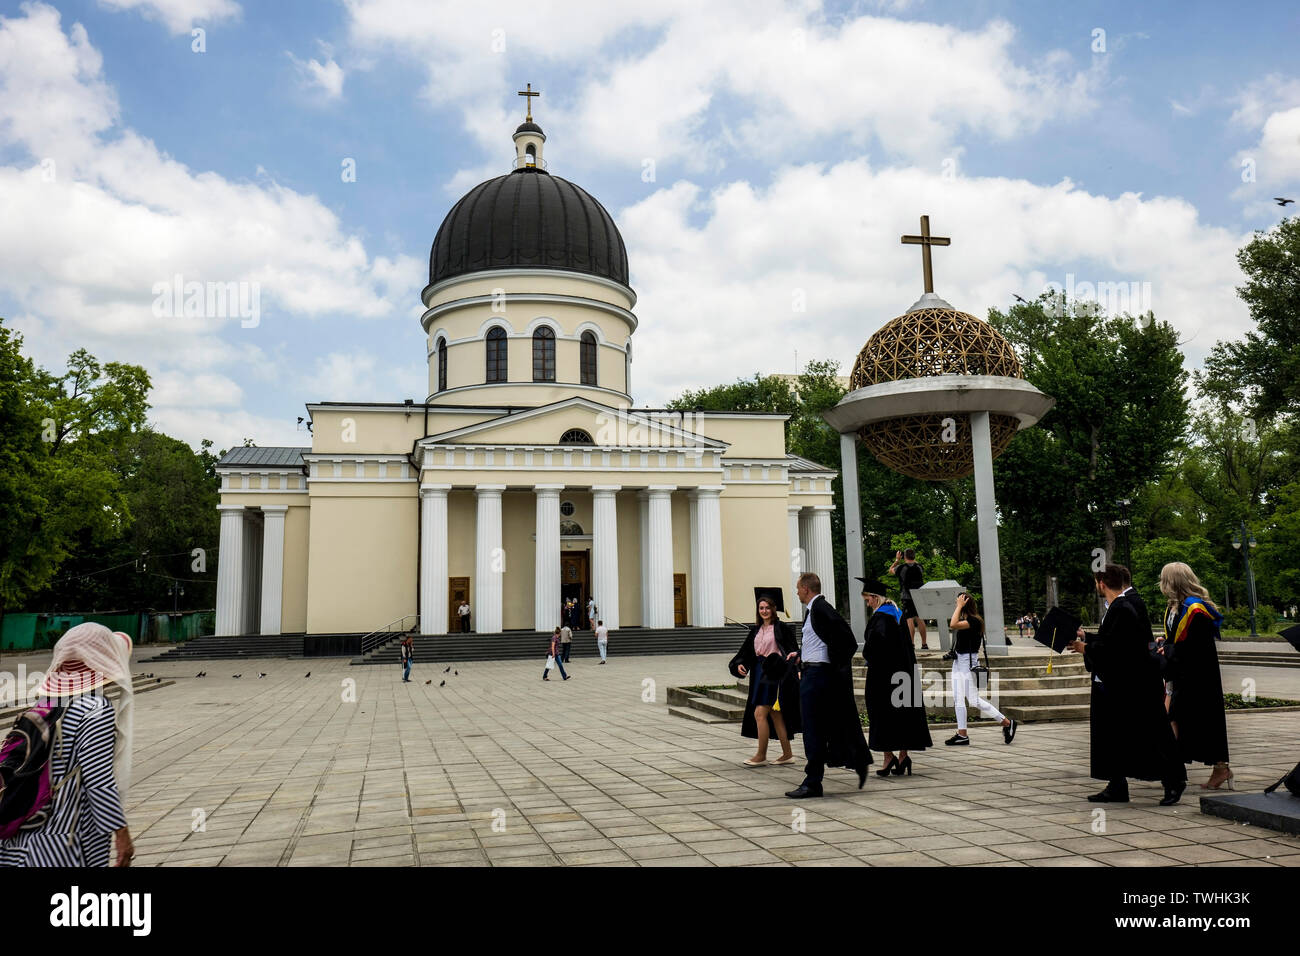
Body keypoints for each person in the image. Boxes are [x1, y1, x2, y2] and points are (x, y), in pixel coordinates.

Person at [0, 623, 134, 867]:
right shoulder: (95, 709)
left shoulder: (46, 703)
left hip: (19, 836)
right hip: (64, 841)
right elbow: (98, 779)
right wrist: (121, 832)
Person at [1069, 563, 1186, 805]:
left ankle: (1173, 781)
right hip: (1125, 681)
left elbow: (1119, 649)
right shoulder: (1127, 601)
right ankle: (1117, 784)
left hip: (1133, 684)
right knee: (1115, 735)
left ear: (1102, 583)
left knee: (1151, 734)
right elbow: (1115, 638)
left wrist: (1086, 648)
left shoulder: (1124, 605)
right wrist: (1087, 638)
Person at [785, 572, 871, 798]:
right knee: (814, 728)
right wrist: (801, 655)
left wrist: (831, 667)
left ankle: (813, 782)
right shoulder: (814, 610)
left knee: (813, 729)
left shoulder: (822, 608)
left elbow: (847, 641)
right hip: (812, 672)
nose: (796, 592)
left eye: (798, 588)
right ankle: (814, 779)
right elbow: (821, 641)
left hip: (817, 677)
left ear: (806, 588)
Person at [1158, 562, 1231, 790]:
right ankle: (1179, 769)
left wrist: (1169, 650)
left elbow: (1196, 648)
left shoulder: (1195, 609)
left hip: (1199, 677)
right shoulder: (1176, 606)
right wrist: (1166, 642)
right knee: (1179, 719)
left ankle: (1208, 769)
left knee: (1200, 721)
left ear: (1171, 582)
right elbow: (1179, 639)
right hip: (1182, 674)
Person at [858, 578, 931, 776]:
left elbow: (876, 647)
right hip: (903, 673)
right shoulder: (898, 614)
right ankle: (902, 756)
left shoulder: (881, 618)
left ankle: (888, 756)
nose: (867, 603)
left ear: (875, 598)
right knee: (902, 713)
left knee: (882, 713)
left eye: (867, 600)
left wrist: (867, 655)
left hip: (884, 676)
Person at [728, 594, 801, 766]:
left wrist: (796, 670)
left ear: (773, 609)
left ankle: (761, 755)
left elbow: (793, 650)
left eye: (767, 608)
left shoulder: (781, 628)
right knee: (775, 715)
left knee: (759, 713)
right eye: (761, 608)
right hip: (759, 674)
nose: (764, 611)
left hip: (774, 674)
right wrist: (740, 664)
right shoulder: (756, 630)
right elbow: (746, 653)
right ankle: (787, 754)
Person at [944, 593, 1017, 746]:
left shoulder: (974, 621)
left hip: (967, 663)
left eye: (958, 601)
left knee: (973, 700)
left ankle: (1007, 723)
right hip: (959, 660)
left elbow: (952, 624)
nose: (956, 603)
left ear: (965, 603)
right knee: (958, 698)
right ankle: (962, 734)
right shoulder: (967, 620)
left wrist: (959, 606)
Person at [888, 549, 929, 650]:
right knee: (920, 619)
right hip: (919, 596)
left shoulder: (901, 568)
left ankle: (911, 644)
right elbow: (918, 566)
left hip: (906, 596)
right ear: (914, 556)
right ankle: (924, 644)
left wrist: (897, 560)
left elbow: (890, 570)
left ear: (904, 556)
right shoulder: (919, 567)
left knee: (909, 619)